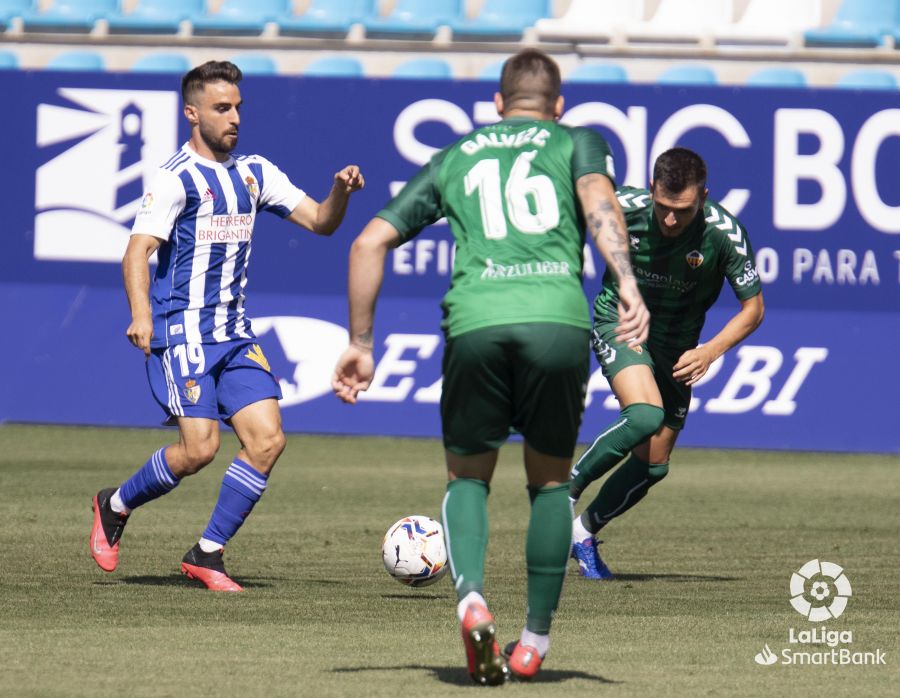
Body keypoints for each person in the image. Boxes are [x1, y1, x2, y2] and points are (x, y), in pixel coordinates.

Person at [332, 49, 648, 684]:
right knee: (551, 485)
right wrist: (628, 281)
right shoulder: (576, 141)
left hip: (476, 323)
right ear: (558, 107)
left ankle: (472, 598)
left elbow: (369, 241)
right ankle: (532, 641)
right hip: (556, 322)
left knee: (467, 479)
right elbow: (597, 201)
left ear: (498, 105)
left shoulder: (458, 154)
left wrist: (362, 342)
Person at [89, 60, 364, 592]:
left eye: (237, 106)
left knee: (268, 440)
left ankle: (207, 553)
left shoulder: (255, 172)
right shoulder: (175, 179)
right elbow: (137, 252)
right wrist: (142, 315)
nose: (234, 117)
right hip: (184, 332)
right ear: (192, 113)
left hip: (235, 335)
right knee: (199, 451)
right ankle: (114, 503)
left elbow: (321, 222)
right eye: (221, 108)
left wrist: (341, 192)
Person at [569, 147, 765, 579]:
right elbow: (569, 209)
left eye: (683, 210)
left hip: (680, 348)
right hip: (621, 323)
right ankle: (563, 492)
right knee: (644, 416)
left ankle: (581, 532)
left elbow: (753, 308)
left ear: (704, 197)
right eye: (663, 207)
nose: (671, 220)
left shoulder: (723, 233)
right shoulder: (623, 208)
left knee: (655, 462)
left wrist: (711, 350)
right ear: (652, 190)